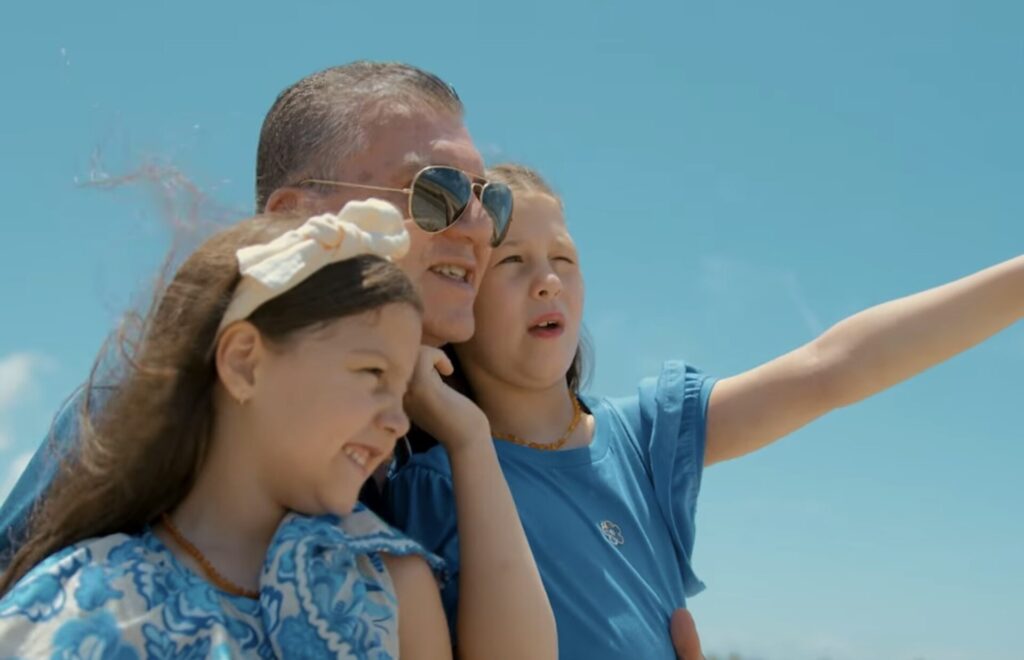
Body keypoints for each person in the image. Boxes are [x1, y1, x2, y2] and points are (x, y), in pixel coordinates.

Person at [0, 63, 561, 659]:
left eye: (488, 201)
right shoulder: (152, 405)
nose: (478, 228)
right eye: (438, 192)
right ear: (295, 215)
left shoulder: (444, 451)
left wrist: (469, 440)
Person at [390, 162, 1024, 659]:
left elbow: (831, 369)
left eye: (564, 258)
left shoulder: (642, 438)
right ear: (459, 306)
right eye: (512, 262)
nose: (548, 279)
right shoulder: (436, 483)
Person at [0, 201, 459, 657]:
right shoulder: (81, 602)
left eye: (401, 392)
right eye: (372, 373)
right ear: (244, 363)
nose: (397, 422)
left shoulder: (391, 584)